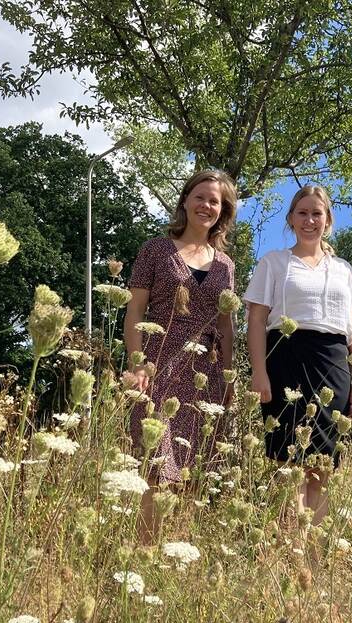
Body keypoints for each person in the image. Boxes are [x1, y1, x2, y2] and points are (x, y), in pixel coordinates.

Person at [245, 184, 352, 528]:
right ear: (291, 219)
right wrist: (259, 372)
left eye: (317, 213)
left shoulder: (343, 269)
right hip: (285, 360)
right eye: (302, 213)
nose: (310, 220)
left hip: (333, 365)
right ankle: (290, 548)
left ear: (327, 220)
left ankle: (314, 555)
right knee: (290, 462)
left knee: (323, 465)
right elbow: (256, 320)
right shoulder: (273, 263)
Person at [124, 169, 237, 541]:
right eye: (200, 197)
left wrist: (230, 378)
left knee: (193, 469)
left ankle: (174, 556)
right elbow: (135, 312)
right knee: (156, 465)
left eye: (215, 202)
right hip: (157, 362)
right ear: (186, 201)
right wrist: (137, 362)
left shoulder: (226, 266)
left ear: (223, 212)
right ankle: (143, 551)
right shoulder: (154, 249)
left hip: (206, 369)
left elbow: (225, 325)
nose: (206, 206)